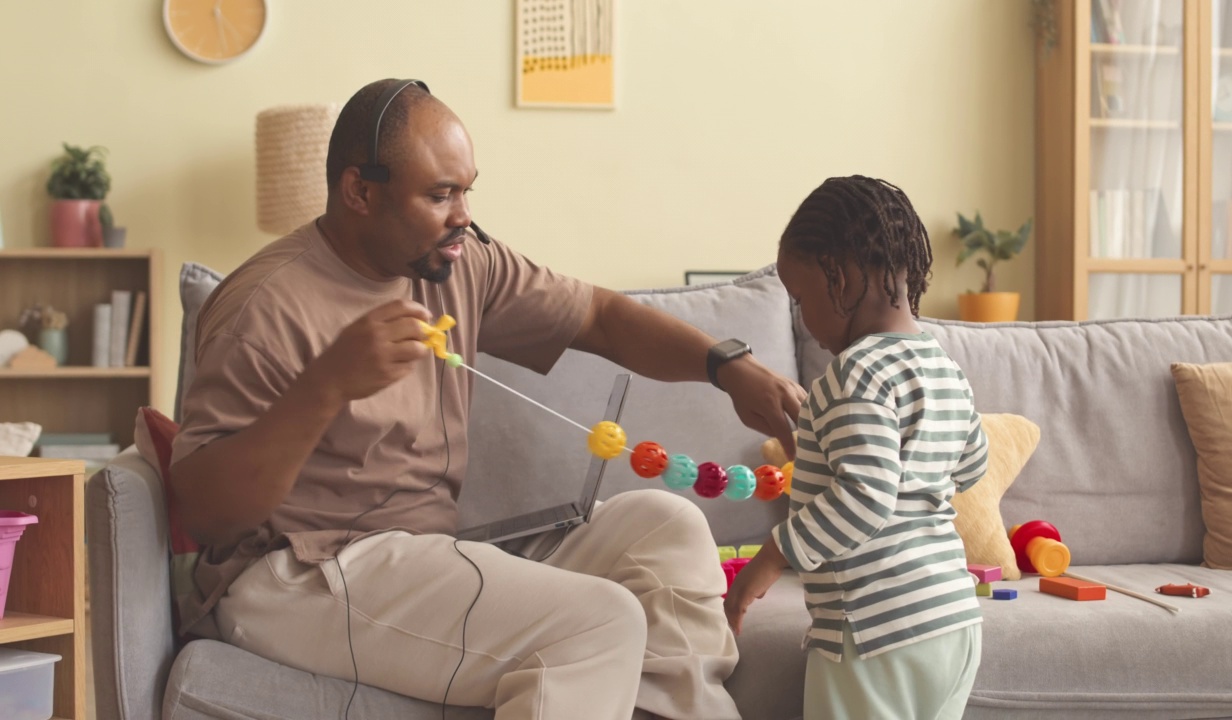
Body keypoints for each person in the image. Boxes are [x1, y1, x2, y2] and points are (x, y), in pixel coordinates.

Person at [168, 78, 806, 720]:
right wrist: (327, 385)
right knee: (599, 624)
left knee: (668, 529)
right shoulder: (263, 306)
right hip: (296, 575)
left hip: (424, 556)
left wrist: (729, 366)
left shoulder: (455, 261)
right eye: (440, 194)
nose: (463, 214)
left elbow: (602, 317)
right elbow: (207, 513)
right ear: (359, 191)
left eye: (466, 189)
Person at [723, 175, 990, 719]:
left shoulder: (855, 373)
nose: (801, 316)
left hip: (874, 628)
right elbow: (971, 465)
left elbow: (867, 495)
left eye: (800, 299)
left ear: (840, 279)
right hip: (953, 622)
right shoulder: (944, 367)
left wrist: (770, 558)